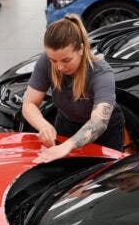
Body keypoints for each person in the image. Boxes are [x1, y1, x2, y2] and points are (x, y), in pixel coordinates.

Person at [23, 13, 124, 164]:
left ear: (81, 49)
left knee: (101, 177)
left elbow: (98, 122)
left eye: (66, 60)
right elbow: (29, 103)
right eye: (53, 60)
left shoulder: (101, 72)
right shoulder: (46, 62)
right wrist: (44, 126)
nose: (59, 67)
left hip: (105, 134)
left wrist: (68, 146)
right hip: (66, 123)